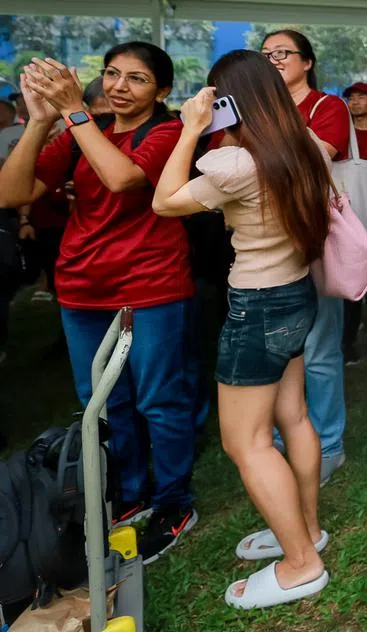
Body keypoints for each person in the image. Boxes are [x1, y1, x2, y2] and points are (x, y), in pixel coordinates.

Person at [0, 43, 198, 562]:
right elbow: (12, 193)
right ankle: (129, 494)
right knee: (105, 404)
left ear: (162, 91)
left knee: (159, 398)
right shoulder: (78, 133)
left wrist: (74, 112)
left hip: (151, 284)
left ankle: (175, 501)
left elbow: (123, 178)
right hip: (82, 288)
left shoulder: (168, 132)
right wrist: (42, 121)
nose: (118, 86)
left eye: (135, 79)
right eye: (111, 74)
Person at [151, 50, 333, 608]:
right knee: (293, 417)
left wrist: (189, 130)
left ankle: (301, 562)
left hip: (256, 306)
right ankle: (305, 529)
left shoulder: (233, 164)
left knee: (247, 442)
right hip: (297, 292)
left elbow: (163, 201)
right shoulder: (306, 144)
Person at [260, 28, 350, 486]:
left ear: (307, 62)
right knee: (274, 349)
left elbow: (320, 155)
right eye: (265, 54)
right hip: (259, 247)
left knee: (317, 349)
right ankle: (279, 441)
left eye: (283, 53)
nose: (273, 60)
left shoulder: (326, 108)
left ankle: (329, 441)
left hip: (313, 240)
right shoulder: (251, 114)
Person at [339, 82, 367, 367]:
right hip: (347, 218)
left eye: (361, 97)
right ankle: (348, 341)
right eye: (351, 98)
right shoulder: (341, 139)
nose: (355, 102)